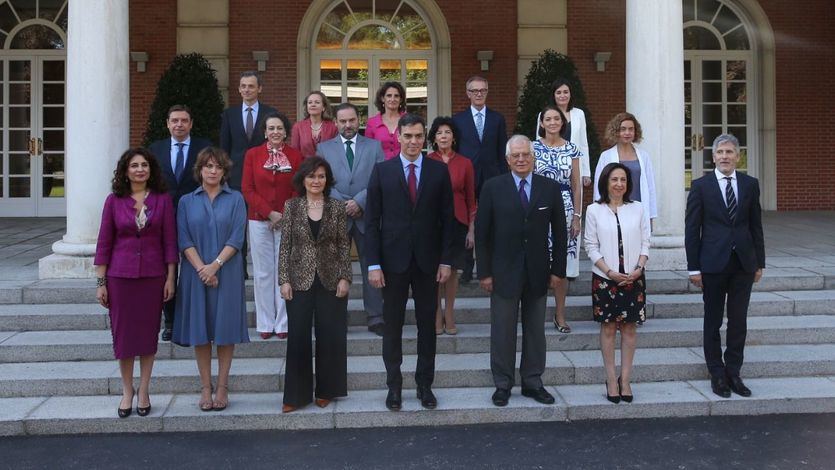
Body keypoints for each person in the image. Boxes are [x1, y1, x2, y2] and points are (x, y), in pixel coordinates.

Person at [365, 113, 455, 411]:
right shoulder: (382, 171)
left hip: (429, 264)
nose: (414, 142)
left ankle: (424, 385)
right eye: (408, 136)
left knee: (427, 328)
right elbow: (372, 221)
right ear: (398, 138)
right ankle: (394, 387)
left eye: (418, 136)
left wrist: (446, 260)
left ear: (424, 139)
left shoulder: (438, 171)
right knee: (393, 328)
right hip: (392, 264)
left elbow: (447, 220)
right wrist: (373, 264)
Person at [475, 134, 566, 407]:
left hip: (539, 272)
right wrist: (485, 273)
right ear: (507, 159)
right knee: (502, 331)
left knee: (535, 331)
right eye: (515, 155)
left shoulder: (549, 188)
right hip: (503, 272)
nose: (521, 159)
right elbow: (482, 234)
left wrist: (557, 271)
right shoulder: (492, 187)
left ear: (533, 156)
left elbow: (560, 233)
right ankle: (502, 384)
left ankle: (533, 382)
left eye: (525, 154)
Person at [94, 148, 178, 418]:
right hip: (121, 277)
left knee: (147, 336)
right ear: (126, 171)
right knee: (124, 336)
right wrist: (101, 281)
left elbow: (170, 242)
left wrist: (170, 278)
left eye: (144, 165)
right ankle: (127, 391)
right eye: (134, 165)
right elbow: (104, 242)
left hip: (153, 278)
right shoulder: (114, 201)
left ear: (150, 169)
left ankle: (144, 390)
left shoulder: (163, 200)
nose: (140, 169)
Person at [685, 134, 765, 398]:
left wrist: (759, 262)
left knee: (738, 321)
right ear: (713, 156)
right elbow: (692, 229)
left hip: (743, 263)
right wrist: (693, 267)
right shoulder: (701, 186)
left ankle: (734, 373)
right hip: (713, 263)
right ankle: (717, 374)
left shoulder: (750, 185)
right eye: (720, 152)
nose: (725, 157)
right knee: (713, 320)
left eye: (730, 152)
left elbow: (756, 226)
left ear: (738, 156)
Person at [173, 147, 249, 412]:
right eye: (208, 166)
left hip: (227, 272)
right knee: (201, 331)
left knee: (225, 331)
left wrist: (215, 266)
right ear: (200, 170)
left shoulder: (236, 199)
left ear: (224, 170)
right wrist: (202, 270)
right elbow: (184, 240)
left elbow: (237, 238)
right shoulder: (186, 201)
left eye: (218, 166)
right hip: (196, 275)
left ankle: (222, 387)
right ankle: (206, 387)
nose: (213, 171)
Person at [278, 157, 352, 413]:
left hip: (331, 279)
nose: (316, 181)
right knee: (298, 337)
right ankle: (295, 396)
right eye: (311, 176)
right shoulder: (292, 207)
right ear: (303, 179)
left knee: (330, 336)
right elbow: (285, 245)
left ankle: (326, 390)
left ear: (327, 179)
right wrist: (283, 279)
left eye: (321, 176)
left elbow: (344, 244)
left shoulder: (337, 207)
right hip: (299, 279)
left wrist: (345, 277)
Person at [317, 103, 386, 336]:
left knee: (372, 265)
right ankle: (338, 314)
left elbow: (379, 179)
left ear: (359, 120)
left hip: (367, 215)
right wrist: (343, 204)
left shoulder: (374, 146)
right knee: (337, 267)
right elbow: (321, 180)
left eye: (352, 120)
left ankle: (376, 316)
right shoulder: (324, 148)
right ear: (335, 123)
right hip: (337, 215)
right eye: (343, 121)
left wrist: (359, 201)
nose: (348, 125)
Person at [584, 162, 650, 404]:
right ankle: (611, 379)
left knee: (630, 329)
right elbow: (590, 246)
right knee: (609, 328)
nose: (619, 184)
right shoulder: (594, 210)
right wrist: (609, 272)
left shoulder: (638, 208)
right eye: (614, 179)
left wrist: (639, 268)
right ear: (606, 182)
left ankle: (626, 379)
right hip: (605, 279)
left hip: (634, 278)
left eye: (623, 180)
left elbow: (646, 242)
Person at [149, 104, 211, 342]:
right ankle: (171, 322)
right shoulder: (155, 150)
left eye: (184, 120)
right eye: (174, 120)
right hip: (164, 218)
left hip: (197, 217)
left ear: (191, 123)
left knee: (197, 268)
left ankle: (199, 318)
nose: (179, 125)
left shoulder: (204, 148)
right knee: (168, 270)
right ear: (167, 123)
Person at [241, 112, 301, 340]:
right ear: (265, 132)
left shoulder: (296, 156)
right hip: (258, 219)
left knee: (284, 270)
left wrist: (284, 214)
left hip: (288, 219)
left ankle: (283, 323)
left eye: (279, 128)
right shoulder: (252, 155)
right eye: (271, 128)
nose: (275, 132)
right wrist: (269, 212)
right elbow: (247, 188)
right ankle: (265, 322)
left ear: (285, 132)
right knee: (263, 272)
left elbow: (299, 187)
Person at [452, 76, 508, 283]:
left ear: (487, 92)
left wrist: (505, 178)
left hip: (493, 177)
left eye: (482, 90)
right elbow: (455, 151)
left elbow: (503, 150)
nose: (478, 94)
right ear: (467, 93)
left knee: (491, 221)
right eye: (474, 91)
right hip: (467, 176)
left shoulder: (497, 119)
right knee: (467, 221)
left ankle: (489, 267)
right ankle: (466, 267)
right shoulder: (457, 120)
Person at [532, 105, 582, 333]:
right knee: (536, 260)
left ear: (563, 123)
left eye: (556, 119)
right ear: (541, 123)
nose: (552, 122)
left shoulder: (572, 149)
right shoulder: (532, 148)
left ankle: (560, 314)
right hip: (538, 208)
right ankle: (535, 314)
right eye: (548, 119)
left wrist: (577, 216)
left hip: (564, 208)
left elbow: (576, 185)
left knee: (561, 262)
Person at [427, 116, 476, 336]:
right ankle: (436, 313)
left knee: (453, 270)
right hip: (433, 222)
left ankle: (450, 313)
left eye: (447, 132)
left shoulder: (465, 163)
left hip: (458, 221)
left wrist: (472, 229)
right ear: (434, 138)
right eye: (439, 133)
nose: (444, 136)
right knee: (435, 270)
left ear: (454, 137)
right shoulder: (427, 160)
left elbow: (470, 198)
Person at [593, 112, 657, 230]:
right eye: (623, 129)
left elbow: (650, 187)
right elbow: (599, 185)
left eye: (631, 129)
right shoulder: (606, 156)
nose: (627, 133)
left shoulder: (644, 156)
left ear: (635, 132)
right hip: (613, 209)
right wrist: (599, 211)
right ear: (616, 131)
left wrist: (651, 215)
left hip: (639, 210)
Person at [220, 71, 279, 190]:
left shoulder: (271, 113)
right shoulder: (229, 114)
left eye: (251, 86)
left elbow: (276, 143)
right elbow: (224, 147)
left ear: (259, 89)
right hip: (236, 174)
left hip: (264, 172)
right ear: (239, 89)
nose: (246, 90)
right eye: (243, 86)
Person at [536, 78, 592, 188]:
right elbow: (539, 142)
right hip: (549, 167)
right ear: (553, 95)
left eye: (566, 92)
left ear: (570, 94)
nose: (562, 95)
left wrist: (586, 173)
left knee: (573, 197)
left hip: (573, 166)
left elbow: (583, 144)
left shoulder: (579, 114)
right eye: (558, 92)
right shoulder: (544, 114)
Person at [365, 81, 407, 160]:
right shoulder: (372, 123)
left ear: (401, 99)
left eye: (396, 96)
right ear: (382, 98)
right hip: (380, 168)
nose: (392, 99)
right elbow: (368, 151)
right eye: (389, 96)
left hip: (405, 168)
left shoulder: (409, 120)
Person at [291, 91, 338, 158]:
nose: (313, 104)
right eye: (310, 102)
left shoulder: (333, 127)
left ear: (323, 107)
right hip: (305, 167)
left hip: (328, 166)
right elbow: (295, 152)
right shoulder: (298, 127)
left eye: (317, 102)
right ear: (307, 107)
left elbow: (336, 152)